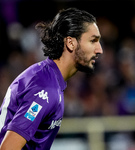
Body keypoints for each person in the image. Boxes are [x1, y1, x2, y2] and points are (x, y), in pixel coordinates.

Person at [0, 7, 103, 150]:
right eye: (93, 41)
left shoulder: (50, 79)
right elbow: (8, 148)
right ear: (70, 43)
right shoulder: (45, 87)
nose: (99, 49)